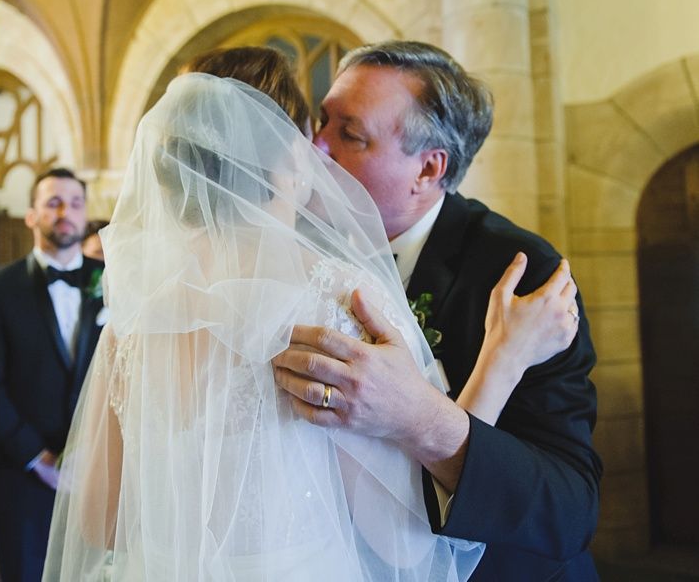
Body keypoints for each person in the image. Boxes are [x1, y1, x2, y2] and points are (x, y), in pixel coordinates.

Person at [42, 47, 578, 581]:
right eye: (311, 131)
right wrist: (501, 361)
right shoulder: (338, 297)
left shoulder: (135, 320)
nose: (318, 148)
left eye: (349, 132)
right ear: (286, 162)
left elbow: (99, 522)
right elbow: (407, 545)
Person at [271, 41, 601, 581]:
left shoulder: (518, 274)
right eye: (320, 121)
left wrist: (418, 414)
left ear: (428, 169)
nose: (315, 148)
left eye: (348, 134)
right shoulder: (291, 251)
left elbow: (567, 508)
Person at [0, 167, 106, 582]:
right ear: (31, 215)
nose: (65, 212)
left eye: (75, 203)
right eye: (53, 202)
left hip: (96, 472)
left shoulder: (109, 282)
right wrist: (38, 458)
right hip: (20, 475)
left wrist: (97, 451)